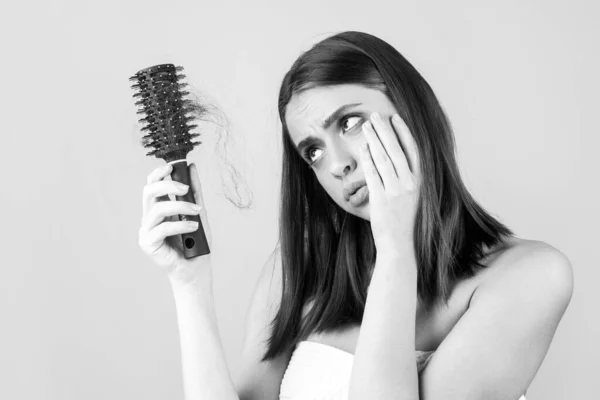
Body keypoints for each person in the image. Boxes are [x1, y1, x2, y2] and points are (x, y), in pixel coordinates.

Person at [138, 31, 574, 400]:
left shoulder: (531, 276)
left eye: (349, 123)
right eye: (313, 151)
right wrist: (189, 285)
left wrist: (395, 247)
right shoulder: (300, 269)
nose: (337, 164)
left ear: (413, 110)